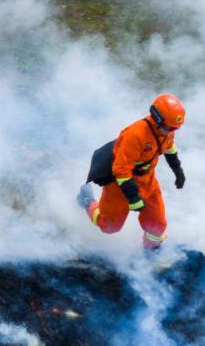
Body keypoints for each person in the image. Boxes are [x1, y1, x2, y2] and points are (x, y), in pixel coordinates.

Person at [77, 94, 188, 250]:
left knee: (157, 224)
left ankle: (150, 252)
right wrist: (133, 197)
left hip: (148, 182)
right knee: (109, 227)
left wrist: (178, 170)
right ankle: (87, 200)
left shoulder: (167, 129)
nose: (172, 131)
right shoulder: (135, 135)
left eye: (175, 128)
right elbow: (120, 170)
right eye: (170, 128)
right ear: (157, 119)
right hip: (120, 187)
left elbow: (169, 147)